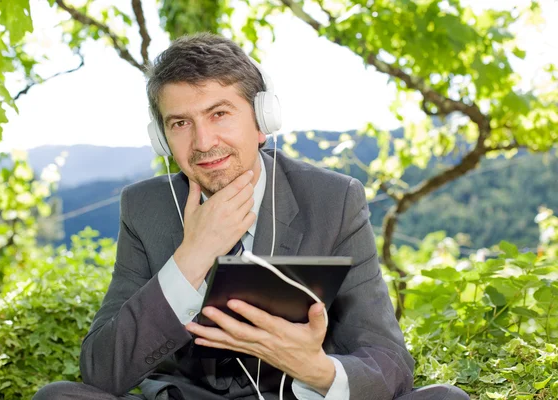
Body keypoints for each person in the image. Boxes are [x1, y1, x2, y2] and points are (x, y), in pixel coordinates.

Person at [34, 33, 469, 400]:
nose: (203, 142)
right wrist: (192, 256)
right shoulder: (145, 208)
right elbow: (101, 371)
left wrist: (316, 369)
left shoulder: (334, 200)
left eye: (219, 113)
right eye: (180, 123)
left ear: (262, 119)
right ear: (163, 138)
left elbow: (389, 360)